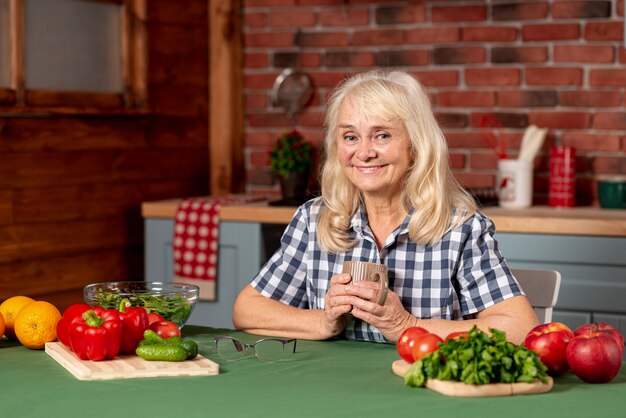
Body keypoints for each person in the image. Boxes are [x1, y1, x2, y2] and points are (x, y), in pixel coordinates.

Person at [233, 69, 538, 345]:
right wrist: (323, 321)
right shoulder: (315, 220)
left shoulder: (460, 228)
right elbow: (247, 310)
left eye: (382, 135)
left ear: (416, 146)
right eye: (350, 136)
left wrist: (408, 325)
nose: (364, 152)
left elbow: (521, 328)